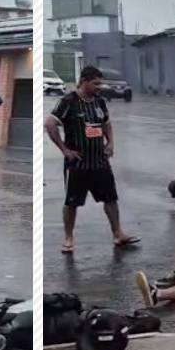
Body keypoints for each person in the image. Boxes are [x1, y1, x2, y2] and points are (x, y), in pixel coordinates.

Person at [44, 65, 139, 254]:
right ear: (84, 81)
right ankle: (68, 238)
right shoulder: (69, 101)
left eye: (100, 83)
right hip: (78, 164)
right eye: (95, 83)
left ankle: (118, 233)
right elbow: (50, 124)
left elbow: (106, 124)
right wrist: (64, 149)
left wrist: (110, 143)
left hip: (100, 162)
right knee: (72, 203)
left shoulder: (99, 101)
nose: (99, 87)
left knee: (110, 198)